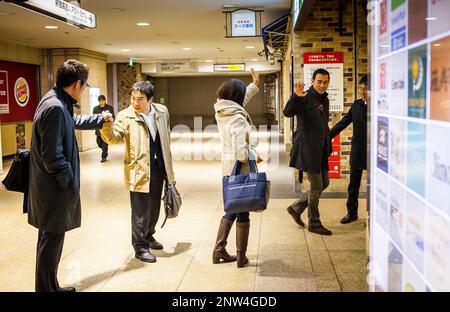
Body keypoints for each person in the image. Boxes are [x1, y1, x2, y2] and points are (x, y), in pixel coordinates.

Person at [28, 59, 112, 292]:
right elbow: (52, 156)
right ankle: (46, 289)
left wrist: (99, 119)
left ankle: (50, 286)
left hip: (48, 187)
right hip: (53, 188)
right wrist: (69, 181)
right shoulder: (56, 107)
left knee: (49, 240)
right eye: (84, 86)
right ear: (77, 83)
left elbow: (71, 122)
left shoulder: (55, 100)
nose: (84, 90)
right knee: (51, 241)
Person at [100, 81, 175, 263]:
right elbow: (112, 138)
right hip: (138, 169)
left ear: (150, 99)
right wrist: (106, 124)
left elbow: (165, 137)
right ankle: (140, 247)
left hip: (159, 166)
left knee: (155, 205)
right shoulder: (126, 116)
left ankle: (149, 235)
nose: (135, 103)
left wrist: (168, 169)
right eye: (133, 99)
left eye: (140, 99)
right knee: (140, 210)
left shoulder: (162, 112)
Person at [212, 68, 260, 268]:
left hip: (227, 170)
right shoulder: (238, 118)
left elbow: (240, 104)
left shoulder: (223, 111)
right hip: (239, 170)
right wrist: (255, 155)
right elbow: (241, 153)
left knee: (233, 208)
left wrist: (252, 86)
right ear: (237, 97)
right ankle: (241, 257)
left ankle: (219, 250)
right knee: (242, 211)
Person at [283, 68, 333, 236]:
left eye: (325, 82)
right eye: (319, 81)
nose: (322, 85)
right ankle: (314, 222)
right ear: (312, 81)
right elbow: (287, 112)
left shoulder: (324, 99)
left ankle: (296, 208)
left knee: (324, 183)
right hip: (308, 149)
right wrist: (296, 96)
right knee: (317, 185)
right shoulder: (305, 96)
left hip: (321, 149)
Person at [329, 75, 368, 224]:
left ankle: (373, 215)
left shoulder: (380, 105)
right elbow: (343, 123)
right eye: (361, 89)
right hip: (358, 150)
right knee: (353, 185)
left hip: (374, 153)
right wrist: (328, 136)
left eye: (366, 89)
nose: (363, 92)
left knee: (374, 186)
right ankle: (352, 213)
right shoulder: (357, 105)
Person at [93, 95, 115, 162]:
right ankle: (103, 149)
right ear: (98, 101)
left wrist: (110, 118)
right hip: (98, 129)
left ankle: (104, 156)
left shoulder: (109, 107)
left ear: (105, 100)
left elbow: (113, 116)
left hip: (106, 128)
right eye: (100, 101)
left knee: (105, 143)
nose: (102, 102)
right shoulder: (95, 108)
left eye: (103, 100)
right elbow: (93, 117)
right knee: (99, 143)